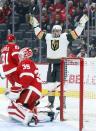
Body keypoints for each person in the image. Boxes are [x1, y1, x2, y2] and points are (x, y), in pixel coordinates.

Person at [28, 14, 89, 109]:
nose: (56, 32)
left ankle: (62, 104)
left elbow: (76, 33)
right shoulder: (48, 37)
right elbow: (39, 34)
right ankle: (51, 103)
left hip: (62, 64)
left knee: (62, 85)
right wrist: (35, 25)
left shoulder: (65, 37)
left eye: (58, 31)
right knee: (50, 85)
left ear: (61, 31)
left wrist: (81, 25)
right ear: (52, 31)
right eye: (54, 31)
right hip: (51, 64)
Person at [6, 47, 54, 126]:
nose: (19, 57)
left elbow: (27, 77)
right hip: (34, 90)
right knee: (27, 108)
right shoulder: (27, 63)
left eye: (21, 55)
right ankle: (47, 116)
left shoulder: (26, 62)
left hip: (31, 90)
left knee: (13, 106)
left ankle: (31, 118)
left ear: (25, 55)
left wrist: (17, 89)